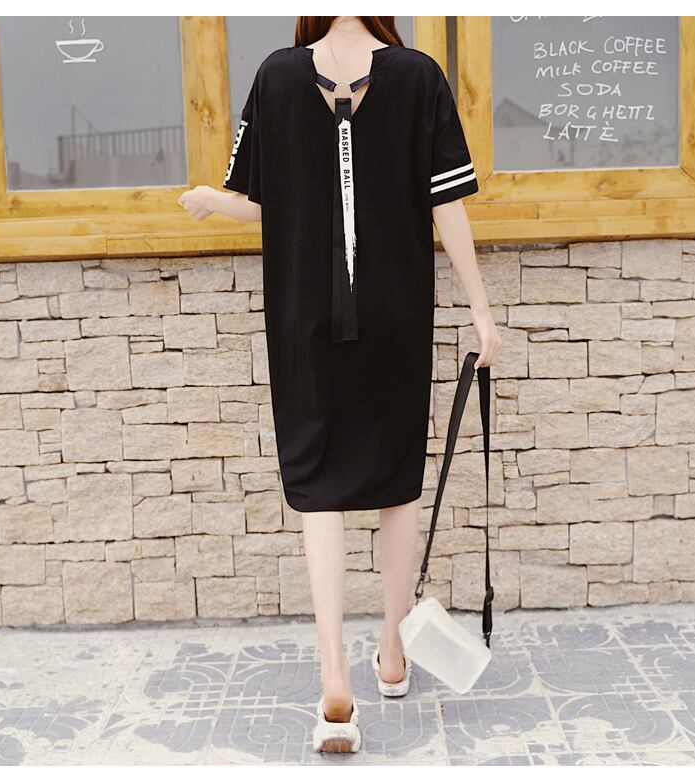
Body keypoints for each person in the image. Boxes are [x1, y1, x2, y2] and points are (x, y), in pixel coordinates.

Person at [179, 15, 501, 754]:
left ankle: (334, 676)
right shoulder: (419, 76)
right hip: (395, 314)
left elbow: (259, 199)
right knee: (396, 480)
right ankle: (391, 652)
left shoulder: (277, 74)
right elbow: (445, 203)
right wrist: (481, 310)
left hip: (306, 317)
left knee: (316, 483)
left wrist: (210, 200)